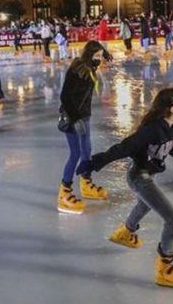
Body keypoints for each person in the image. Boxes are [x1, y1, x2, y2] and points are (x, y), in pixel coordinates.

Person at [80, 86, 173, 290]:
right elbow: (124, 147)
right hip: (138, 176)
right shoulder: (153, 129)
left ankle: (125, 232)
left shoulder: (172, 128)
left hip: (147, 175)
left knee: (145, 204)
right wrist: (96, 163)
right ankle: (165, 266)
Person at [57, 40, 112, 214]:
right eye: (96, 56)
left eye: (100, 56)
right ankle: (64, 193)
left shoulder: (90, 68)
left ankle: (86, 182)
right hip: (73, 117)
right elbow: (65, 96)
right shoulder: (77, 69)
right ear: (88, 55)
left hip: (84, 115)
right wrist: (75, 118)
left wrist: (105, 56)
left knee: (87, 150)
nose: (99, 59)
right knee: (75, 153)